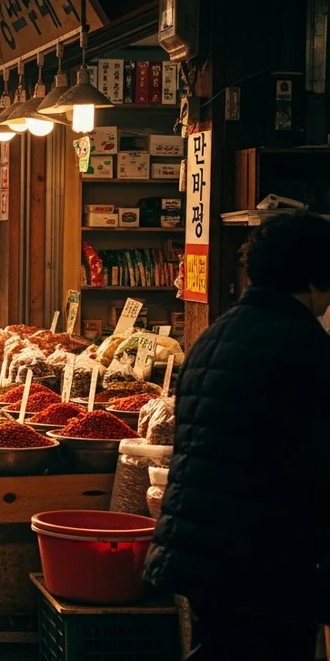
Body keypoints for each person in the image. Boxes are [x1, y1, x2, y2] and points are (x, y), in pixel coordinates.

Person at [144, 212, 330, 661]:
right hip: (265, 558)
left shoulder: (216, 334)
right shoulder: (303, 345)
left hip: (206, 547)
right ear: (312, 276)